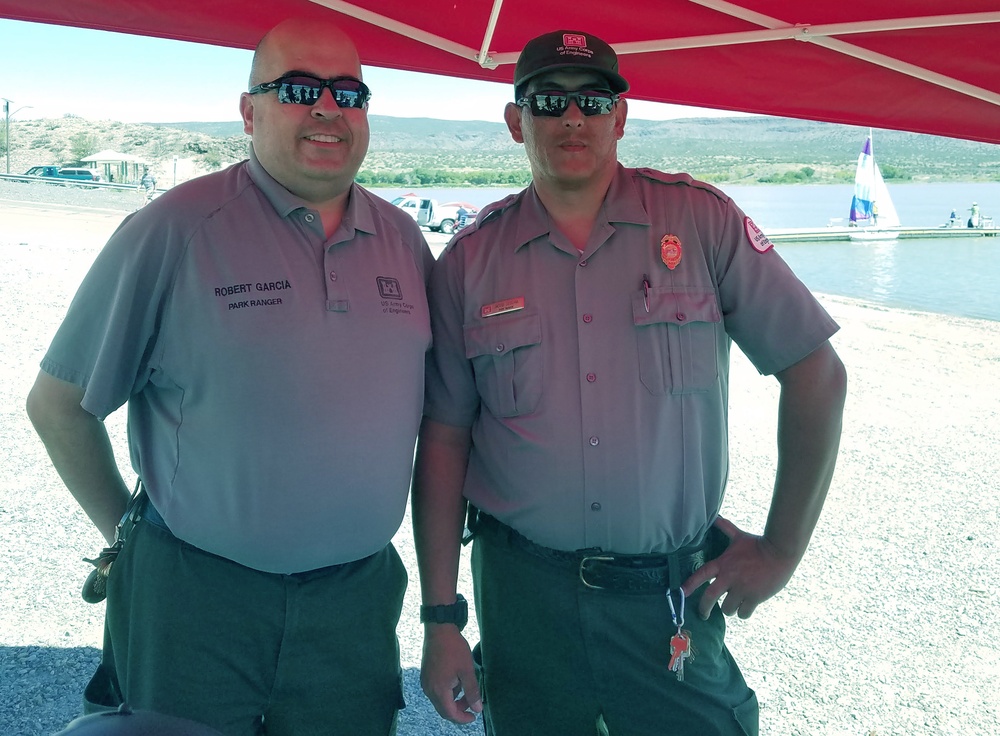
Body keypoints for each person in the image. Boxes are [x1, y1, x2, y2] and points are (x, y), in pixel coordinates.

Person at [412, 29, 847, 736]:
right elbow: (443, 441)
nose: (573, 118)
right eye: (549, 101)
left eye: (594, 99)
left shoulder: (699, 223)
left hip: (667, 595)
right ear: (516, 120)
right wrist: (441, 619)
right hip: (523, 598)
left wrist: (780, 548)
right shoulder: (468, 262)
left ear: (622, 114)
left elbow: (816, 372)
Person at [26, 16, 433, 736]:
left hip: (355, 603)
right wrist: (124, 535)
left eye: (348, 92)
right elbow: (60, 404)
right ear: (249, 111)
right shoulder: (175, 228)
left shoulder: (403, 240)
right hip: (194, 599)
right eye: (300, 89)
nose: (328, 110)